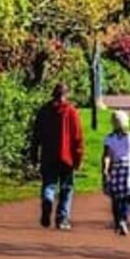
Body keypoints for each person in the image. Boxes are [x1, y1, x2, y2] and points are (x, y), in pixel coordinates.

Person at [26, 83, 85, 230]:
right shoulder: (71, 112)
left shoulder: (44, 111)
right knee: (66, 188)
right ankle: (62, 219)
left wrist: (34, 155)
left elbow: (36, 135)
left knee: (49, 184)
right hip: (67, 157)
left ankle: (48, 199)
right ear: (66, 94)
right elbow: (77, 137)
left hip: (48, 155)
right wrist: (78, 158)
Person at [101, 109, 130, 236]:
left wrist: (105, 169)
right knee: (127, 196)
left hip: (116, 168)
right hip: (129, 168)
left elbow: (106, 156)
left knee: (115, 197)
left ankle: (118, 221)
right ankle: (125, 219)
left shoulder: (109, 139)